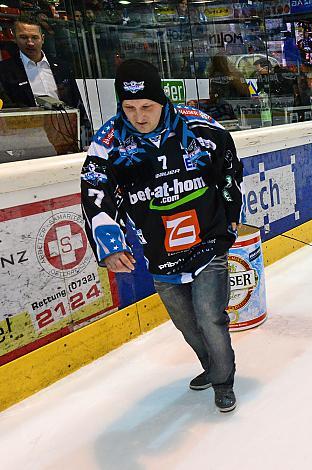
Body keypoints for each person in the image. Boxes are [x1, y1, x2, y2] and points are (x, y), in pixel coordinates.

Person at [80, 60, 242, 412]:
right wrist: (110, 244)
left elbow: (229, 172)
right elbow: (95, 192)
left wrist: (231, 216)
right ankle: (212, 367)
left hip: (206, 243)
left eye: (147, 107)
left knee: (210, 318)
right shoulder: (108, 144)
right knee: (186, 324)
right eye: (129, 108)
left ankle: (223, 381)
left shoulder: (199, 127)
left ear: (162, 101)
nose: (139, 116)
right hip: (161, 255)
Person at [0, 15, 92, 143]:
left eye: (34, 37)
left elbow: (77, 102)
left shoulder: (62, 67)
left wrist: (88, 139)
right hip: (27, 137)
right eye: (24, 37)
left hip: (66, 134)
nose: (30, 42)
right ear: (15, 39)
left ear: (42, 39)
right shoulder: (4, 71)